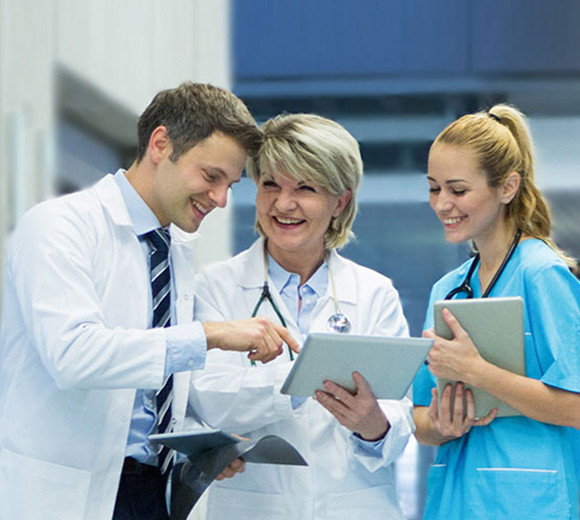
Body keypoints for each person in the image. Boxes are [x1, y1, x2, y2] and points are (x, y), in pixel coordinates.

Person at [0, 82, 299, 520]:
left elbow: (143, 397)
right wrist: (209, 336)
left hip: (153, 494)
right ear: (161, 144)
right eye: (211, 177)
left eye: (231, 185)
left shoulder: (173, 250)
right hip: (66, 493)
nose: (219, 199)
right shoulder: (57, 227)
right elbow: (74, 356)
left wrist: (201, 444)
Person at [188, 113, 414, 520]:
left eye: (305, 188)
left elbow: (399, 418)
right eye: (270, 184)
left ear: (340, 201)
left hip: (357, 507)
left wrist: (373, 424)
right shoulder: (216, 286)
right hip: (254, 507)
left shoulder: (374, 294)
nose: (283, 203)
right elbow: (207, 399)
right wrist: (295, 382)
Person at [413, 104, 580, 520]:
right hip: (458, 499)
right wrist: (442, 424)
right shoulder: (448, 290)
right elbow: (418, 418)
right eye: (434, 188)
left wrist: (477, 372)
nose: (441, 204)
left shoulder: (543, 275)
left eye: (457, 189)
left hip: (532, 502)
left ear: (507, 187)